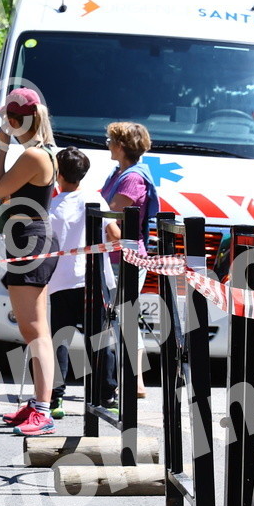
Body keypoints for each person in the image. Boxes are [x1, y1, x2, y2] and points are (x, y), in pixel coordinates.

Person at [0, 87, 59, 437]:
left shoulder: (32, 156)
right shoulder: (42, 151)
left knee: (34, 331)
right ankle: (38, 403)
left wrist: (2, 147)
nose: (4, 125)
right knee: (35, 329)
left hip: (29, 243)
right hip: (30, 241)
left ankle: (43, 409)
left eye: (7, 119)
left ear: (16, 121)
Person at [102, 122, 158, 398]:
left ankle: (134, 381)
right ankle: (131, 380)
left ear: (122, 146)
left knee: (124, 316)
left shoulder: (132, 178)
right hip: (117, 254)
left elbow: (110, 213)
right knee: (124, 316)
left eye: (110, 141)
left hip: (124, 256)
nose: (108, 145)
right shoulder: (120, 173)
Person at [47, 148, 91, 419]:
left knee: (59, 340)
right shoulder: (94, 200)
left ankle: (56, 398)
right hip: (90, 279)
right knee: (99, 337)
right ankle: (106, 393)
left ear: (58, 174)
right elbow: (115, 233)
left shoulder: (52, 207)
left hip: (60, 280)